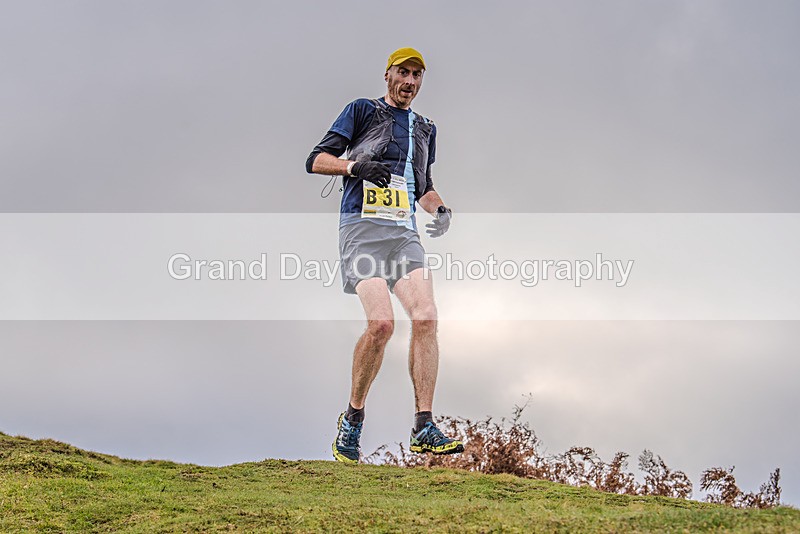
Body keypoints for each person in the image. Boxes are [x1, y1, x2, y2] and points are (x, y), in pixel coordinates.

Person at [305, 47, 463, 464]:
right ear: (388, 75)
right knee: (380, 325)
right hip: (361, 229)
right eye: (403, 73)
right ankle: (353, 418)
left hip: (402, 234)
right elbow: (316, 160)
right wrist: (354, 167)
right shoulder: (362, 110)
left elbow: (423, 185)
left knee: (426, 316)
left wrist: (441, 209)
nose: (410, 81)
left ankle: (424, 424)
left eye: (417, 75)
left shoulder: (426, 128)